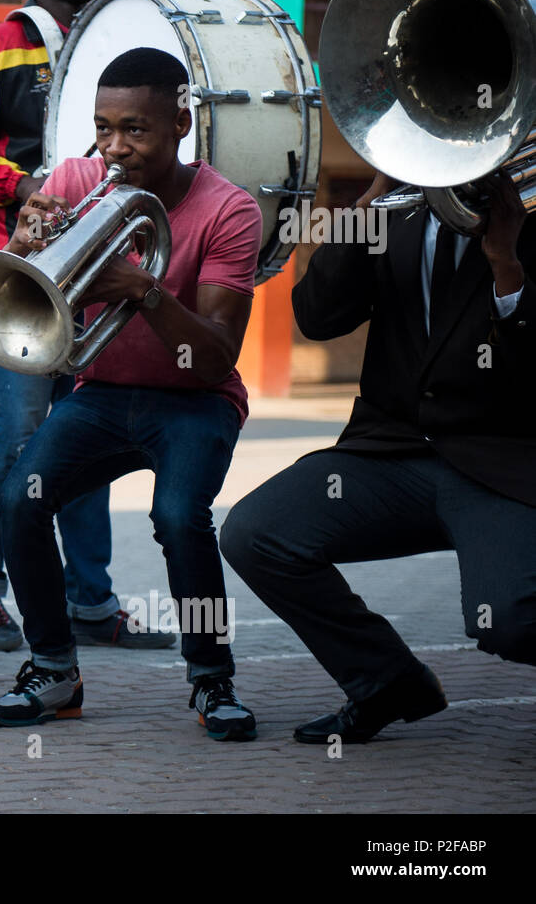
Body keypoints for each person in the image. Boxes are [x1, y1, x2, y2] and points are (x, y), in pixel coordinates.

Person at [0, 48, 262, 740]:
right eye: (103, 128)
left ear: (181, 123)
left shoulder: (231, 210)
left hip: (195, 401)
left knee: (178, 516)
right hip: (102, 391)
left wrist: (142, 289)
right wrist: (23, 247)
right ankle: (53, 670)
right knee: (19, 499)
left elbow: (214, 356)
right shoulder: (77, 178)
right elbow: (14, 292)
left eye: (134, 130)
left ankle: (211, 678)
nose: (114, 149)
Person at [0, 0, 195, 652]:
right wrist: (23, 189)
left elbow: (175, 85)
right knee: (16, 434)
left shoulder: (115, 42)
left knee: (85, 438)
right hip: (22, 271)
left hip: (98, 272)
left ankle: (91, 603)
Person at [220, 169, 535, 744]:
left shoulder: (527, 214)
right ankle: (387, 681)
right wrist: (367, 204)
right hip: (390, 450)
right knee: (254, 533)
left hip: (502, 462)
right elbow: (317, 317)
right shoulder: (394, 212)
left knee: (509, 622)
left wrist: (507, 264)